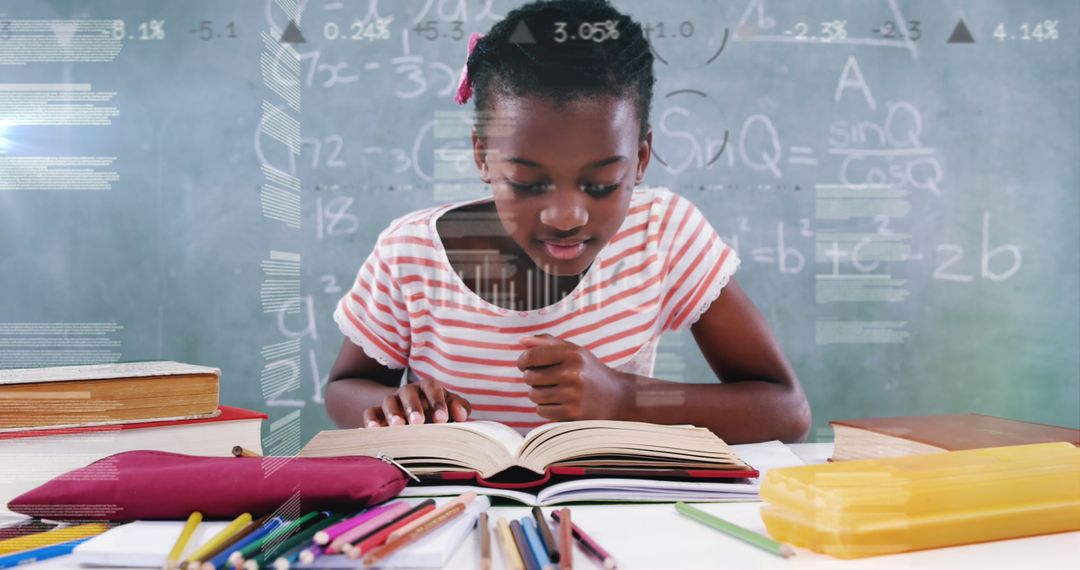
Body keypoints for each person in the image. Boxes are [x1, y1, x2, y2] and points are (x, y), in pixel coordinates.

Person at [326, 0, 810, 443]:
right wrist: (388, 407)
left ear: (640, 159)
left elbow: (786, 412)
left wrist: (623, 398)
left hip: (610, 514)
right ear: (483, 156)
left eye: (601, 185)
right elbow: (345, 387)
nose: (566, 216)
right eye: (527, 182)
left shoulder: (662, 233)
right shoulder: (409, 254)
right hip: (451, 517)